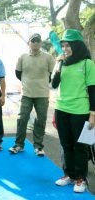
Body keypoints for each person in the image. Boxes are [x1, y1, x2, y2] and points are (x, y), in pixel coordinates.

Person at [52, 29, 95, 193]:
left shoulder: (87, 63)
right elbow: (54, 84)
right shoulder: (62, 62)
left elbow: (93, 90)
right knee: (66, 144)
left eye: (68, 45)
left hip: (80, 111)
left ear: (76, 46)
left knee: (80, 146)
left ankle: (81, 178)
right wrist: (58, 64)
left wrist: (93, 114)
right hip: (61, 108)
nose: (65, 49)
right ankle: (69, 175)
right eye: (63, 45)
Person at [9, 33, 55, 156]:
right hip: (27, 94)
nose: (35, 43)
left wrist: (41, 83)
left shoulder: (48, 57)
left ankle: (38, 146)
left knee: (41, 120)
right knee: (22, 118)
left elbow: (51, 74)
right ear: (29, 43)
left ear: (41, 43)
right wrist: (28, 82)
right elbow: (18, 73)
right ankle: (19, 144)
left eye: (37, 41)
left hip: (42, 94)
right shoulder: (22, 57)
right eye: (33, 40)